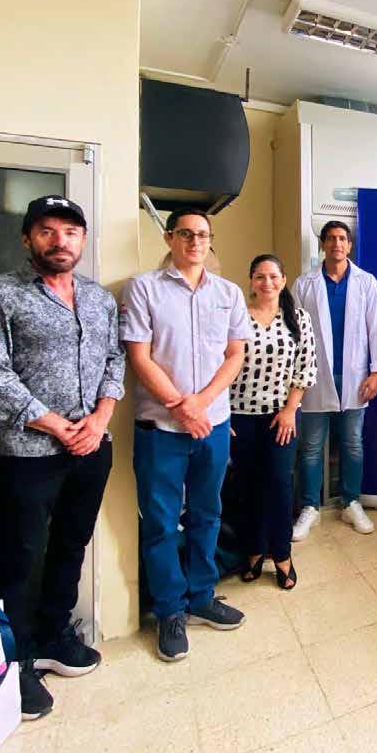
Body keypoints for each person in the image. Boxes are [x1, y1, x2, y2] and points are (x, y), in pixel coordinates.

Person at [0, 195, 125, 720]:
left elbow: (114, 359)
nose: (60, 241)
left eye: (70, 232)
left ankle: (54, 635)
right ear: (28, 238)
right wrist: (53, 423)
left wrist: (99, 420)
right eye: (48, 231)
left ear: (83, 240)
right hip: (27, 453)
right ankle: (16, 661)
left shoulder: (98, 299)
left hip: (92, 448)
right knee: (19, 557)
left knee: (71, 545)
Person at [121, 208, 249, 662]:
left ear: (210, 240)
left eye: (203, 235)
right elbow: (139, 356)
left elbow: (234, 355)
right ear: (169, 238)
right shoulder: (144, 288)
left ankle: (201, 596)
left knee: (207, 514)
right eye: (186, 234)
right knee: (160, 523)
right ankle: (170, 611)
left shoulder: (228, 293)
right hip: (161, 428)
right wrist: (181, 406)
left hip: (213, 425)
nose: (195, 242)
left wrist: (202, 404)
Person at [290, 220, 377, 540]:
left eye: (342, 238)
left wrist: (376, 372)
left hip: (355, 376)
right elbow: (294, 333)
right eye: (330, 238)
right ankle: (310, 507)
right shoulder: (304, 284)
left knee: (352, 444)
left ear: (349, 245)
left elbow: (376, 328)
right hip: (314, 376)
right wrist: (295, 378)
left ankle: (351, 502)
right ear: (323, 244)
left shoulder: (366, 283)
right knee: (311, 446)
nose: (337, 244)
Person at [229, 254, 317, 589]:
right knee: (247, 487)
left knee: (279, 484)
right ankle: (253, 550)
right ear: (251, 281)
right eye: (260, 277)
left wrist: (290, 409)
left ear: (283, 280)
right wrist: (223, 413)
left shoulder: (298, 318)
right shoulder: (236, 316)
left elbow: (305, 367)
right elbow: (220, 365)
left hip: (282, 417)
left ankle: (281, 554)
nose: (267, 283)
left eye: (273, 276)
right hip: (239, 417)